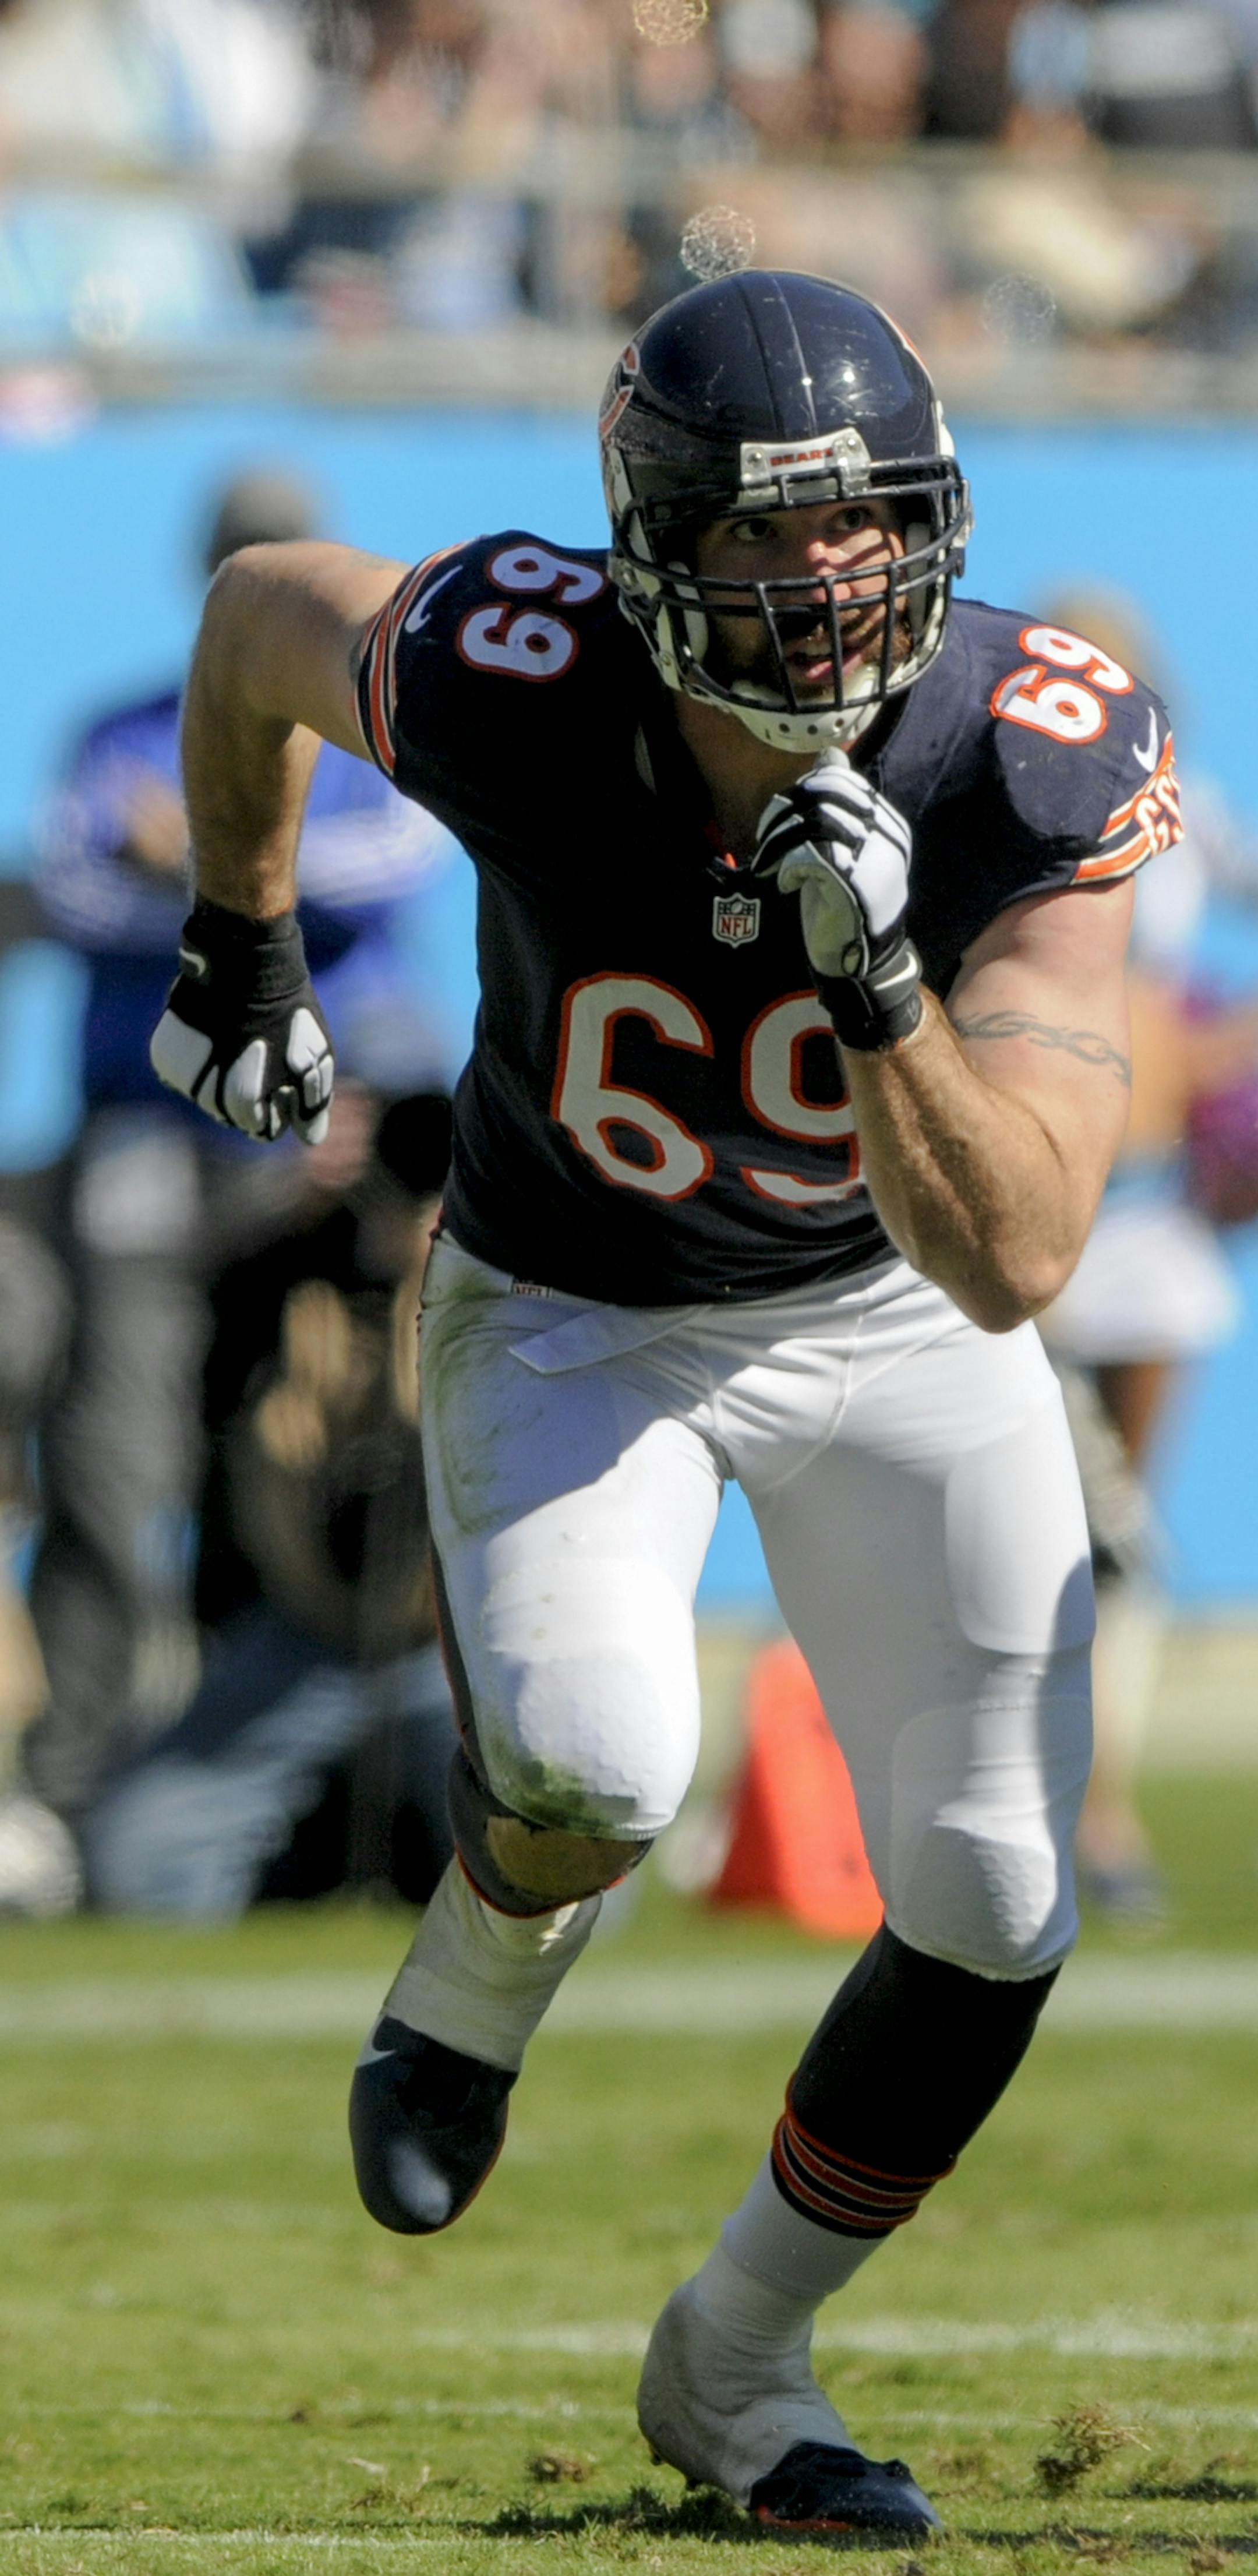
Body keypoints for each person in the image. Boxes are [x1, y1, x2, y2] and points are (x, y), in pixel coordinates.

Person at [149, 270, 1179, 2543]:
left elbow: (1013, 1254)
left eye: (864, 526)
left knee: (1001, 1891)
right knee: (602, 1766)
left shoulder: (1021, 748)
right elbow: (248, 624)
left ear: (937, 517)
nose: (820, 581)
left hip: (892, 1311)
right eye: (756, 537)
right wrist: (243, 941)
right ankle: (476, 1968)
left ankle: (734, 2366)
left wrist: (886, 988)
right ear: (647, 545)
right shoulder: (514, 670)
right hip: (572, 1300)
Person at [0, 469, 453, 1912]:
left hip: (333, 1132)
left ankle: (416, 1750)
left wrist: (196, 854)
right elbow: (71, 885)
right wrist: (251, 880)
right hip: (156, 1124)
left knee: (361, 1411)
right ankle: (74, 1778)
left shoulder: (382, 742)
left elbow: (399, 867)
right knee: (117, 1448)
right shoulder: (123, 726)